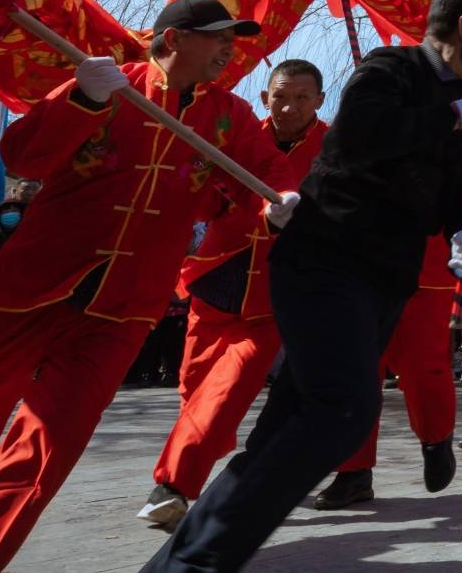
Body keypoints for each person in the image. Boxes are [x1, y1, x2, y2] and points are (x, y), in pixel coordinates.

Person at [137, 0, 462, 573]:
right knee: (343, 408)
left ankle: (175, 562)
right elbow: (367, 134)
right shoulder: (390, 70)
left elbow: (452, 196)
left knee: (287, 427)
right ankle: (198, 564)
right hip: (326, 260)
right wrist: (461, 115)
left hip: (385, 280)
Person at [0, 0, 292, 570]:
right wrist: (82, 100)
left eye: (234, 39)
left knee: (47, 450)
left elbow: (268, 178)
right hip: (27, 290)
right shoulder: (107, 82)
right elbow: (23, 157)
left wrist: (281, 208)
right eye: (217, 37)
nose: (230, 49)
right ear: (174, 39)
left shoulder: (229, 116)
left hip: (124, 311)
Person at [138, 61, 329, 533]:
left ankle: (174, 488)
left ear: (320, 101)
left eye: (302, 97)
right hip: (217, 276)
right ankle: (201, 450)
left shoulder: (335, 149)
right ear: (266, 97)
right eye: (281, 96)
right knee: (194, 386)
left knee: (227, 389)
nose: (290, 107)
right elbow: (201, 199)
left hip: (278, 292)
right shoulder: (236, 133)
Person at [315, 227, 460, 510]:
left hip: (424, 263)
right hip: (362, 263)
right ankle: (353, 470)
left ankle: (436, 438)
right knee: (357, 371)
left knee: (423, 369)